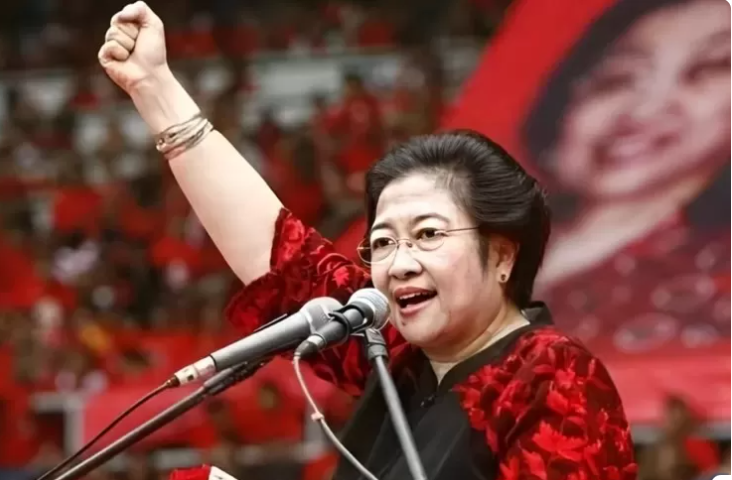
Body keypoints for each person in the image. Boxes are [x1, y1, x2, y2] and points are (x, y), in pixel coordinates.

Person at [98, 3, 637, 479]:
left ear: (501, 254)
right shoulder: (399, 357)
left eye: (427, 235)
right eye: (382, 242)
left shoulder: (550, 374)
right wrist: (155, 88)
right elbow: (281, 259)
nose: (399, 264)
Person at [521, 0, 730, 352]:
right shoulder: (476, 240)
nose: (644, 109)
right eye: (617, 79)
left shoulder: (709, 289)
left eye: (709, 69)